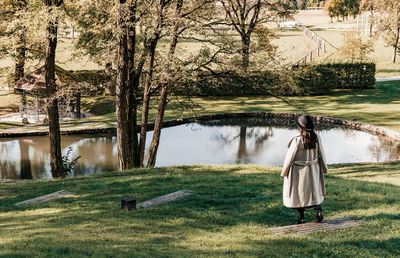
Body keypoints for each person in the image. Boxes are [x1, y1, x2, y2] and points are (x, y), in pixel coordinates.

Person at [281, 114, 328, 224]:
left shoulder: (297, 140)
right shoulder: (316, 138)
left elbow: (289, 158)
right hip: (313, 170)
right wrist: (324, 168)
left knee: (300, 195)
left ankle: (301, 217)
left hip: (298, 172)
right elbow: (322, 154)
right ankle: (318, 210)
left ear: (300, 127)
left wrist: (285, 172)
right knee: (313, 192)